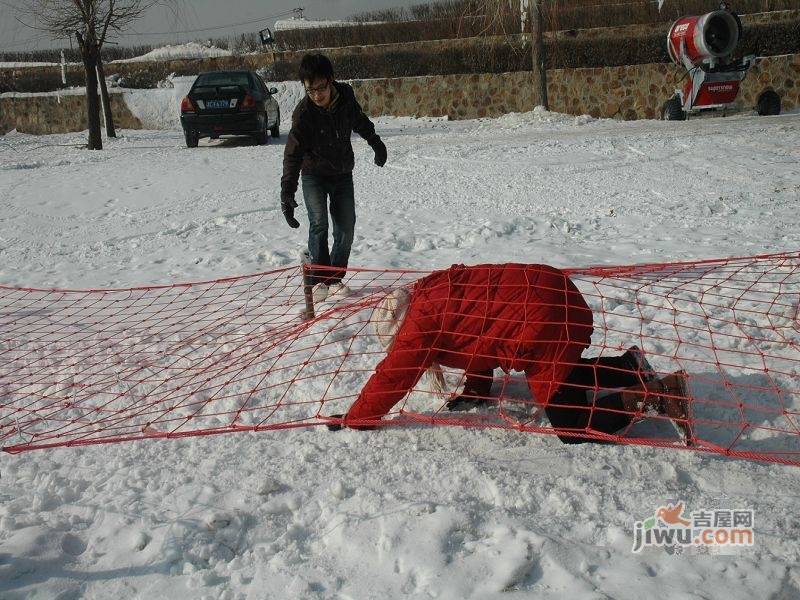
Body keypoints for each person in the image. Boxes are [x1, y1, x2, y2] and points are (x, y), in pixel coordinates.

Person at [329, 263, 693, 445]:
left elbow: (392, 378)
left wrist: (355, 419)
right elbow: (478, 330)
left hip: (542, 321)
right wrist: (476, 390)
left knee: (571, 426)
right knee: (562, 372)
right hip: (554, 290)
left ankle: (660, 398)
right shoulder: (427, 291)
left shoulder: (417, 331)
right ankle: (629, 368)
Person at [280, 53, 387, 302]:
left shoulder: (346, 97)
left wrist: (376, 142)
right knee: (319, 225)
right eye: (310, 90)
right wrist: (287, 192)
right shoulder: (303, 114)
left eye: (320, 88)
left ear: (331, 81)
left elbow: (359, 121)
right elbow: (292, 154)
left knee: (345, 228)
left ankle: (335, 278)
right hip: (313, 175)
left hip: (341, 173)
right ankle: (320, 280)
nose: (317, 95)